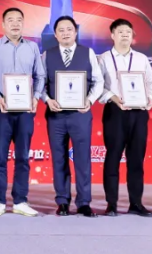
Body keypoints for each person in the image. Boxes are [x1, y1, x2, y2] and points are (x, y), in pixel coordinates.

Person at [0, 8, 45, 217]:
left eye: (19, 20)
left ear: (23, 24)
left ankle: (20, 200)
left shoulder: (32, 47)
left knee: (23, 156)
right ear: (3, 25)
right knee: (0, 155)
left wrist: (36, 97)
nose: (15, 24)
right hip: (1, 108)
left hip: (26, 109)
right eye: (10, 20)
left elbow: (40, 76)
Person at [43, 16, 103, 217]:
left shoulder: (88, 52)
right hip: (56, 116)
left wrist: (90, 100)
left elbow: (98, 81)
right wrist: (47, 99)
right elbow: (40, 82)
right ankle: (62, 201)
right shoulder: (47, 55)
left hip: (80, 114)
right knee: (58, 158)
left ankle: (84, 202)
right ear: (55, 34)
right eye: (61, 30)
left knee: (83, 158)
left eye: (69, 29)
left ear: (75, 32)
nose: (65, 33)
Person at [98, 18, 152, 217]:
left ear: (132, 36)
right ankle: (111, 204)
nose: (125, 35)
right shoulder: (103, 58)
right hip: (115, 112)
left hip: (138, 112)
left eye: (128, 32)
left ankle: (136, 203)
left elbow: (151, 82)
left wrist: (150, 99)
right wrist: (113, 97)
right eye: (121, 31)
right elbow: (98, 86)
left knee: (136, 159)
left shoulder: (141, 58)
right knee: (113, 157)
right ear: (112, 35)